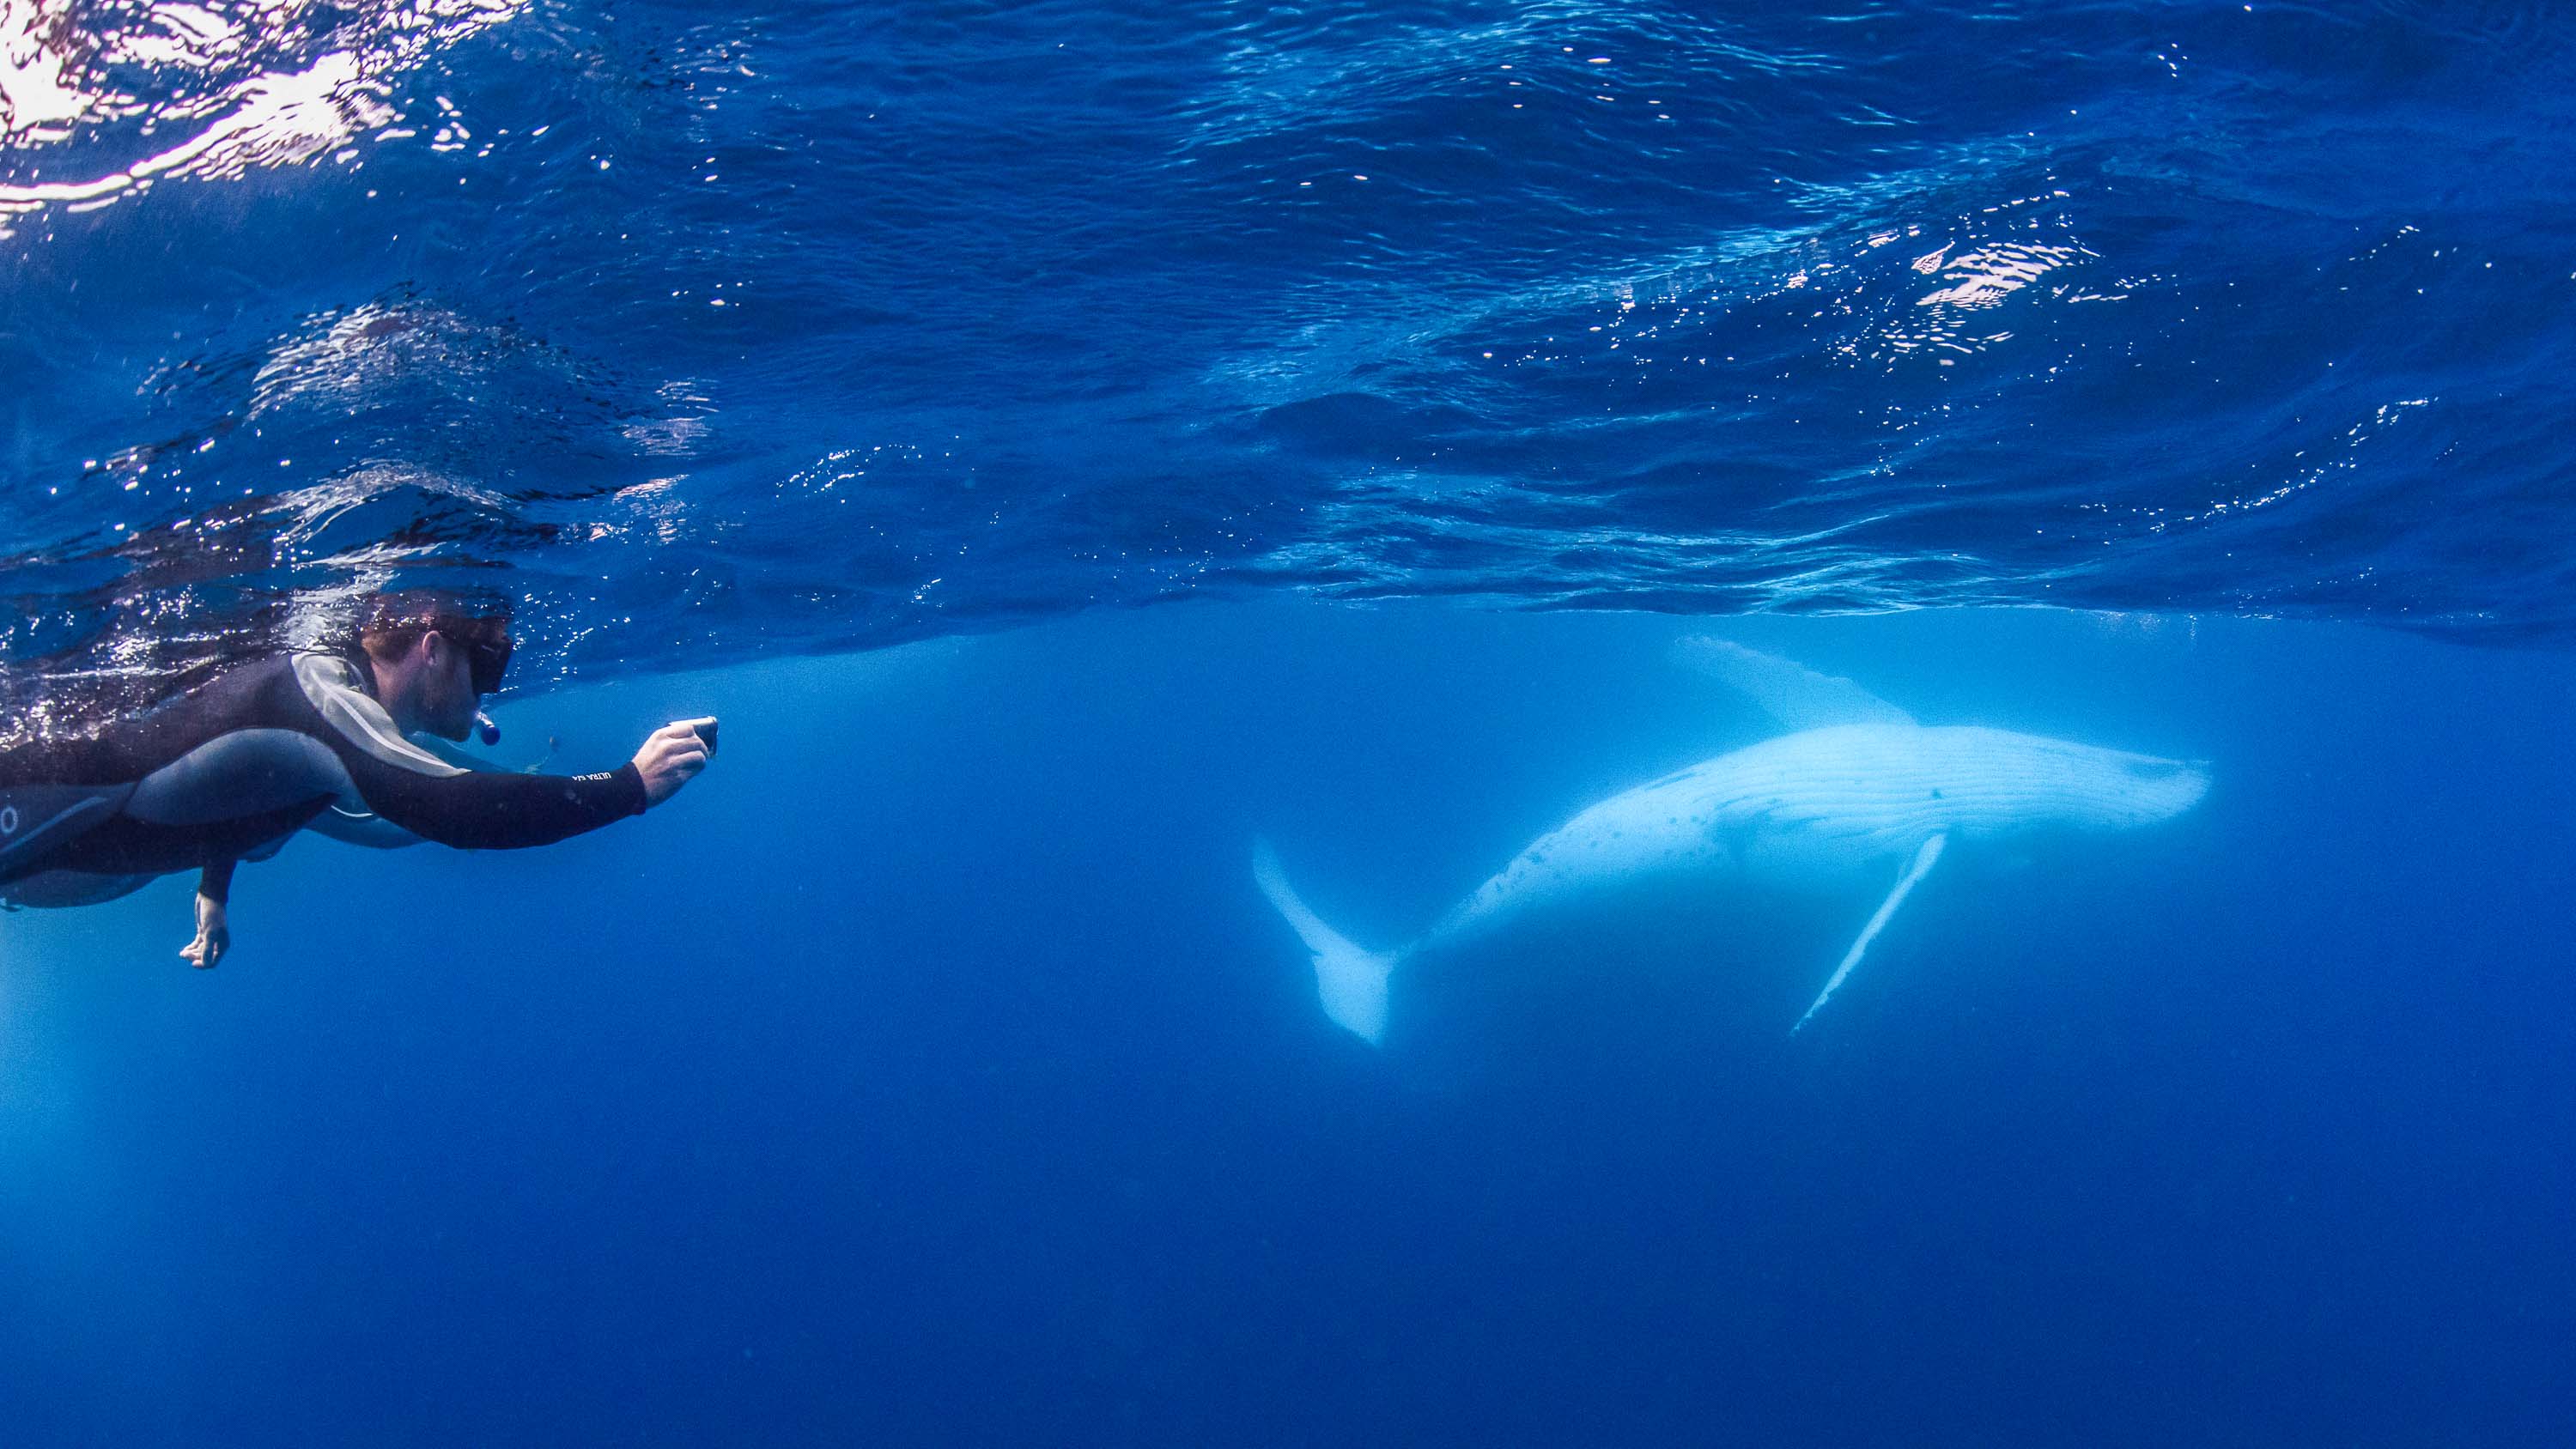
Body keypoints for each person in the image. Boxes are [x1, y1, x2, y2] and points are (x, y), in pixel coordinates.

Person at [0, 594, 714, 967]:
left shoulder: (329, 714)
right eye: (487, 666)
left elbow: (234, 774)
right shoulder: (324, 696)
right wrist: (629, 786)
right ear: (432, 650)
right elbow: (452, 809)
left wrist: (213, 890)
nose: (490, 690)